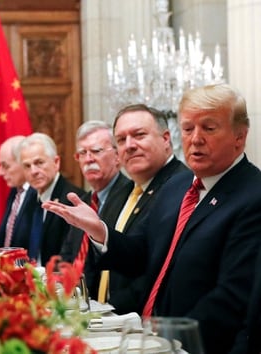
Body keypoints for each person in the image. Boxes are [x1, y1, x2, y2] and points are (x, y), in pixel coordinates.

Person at [45, 84, 261, 353]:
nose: (195, 139)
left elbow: (233, 295)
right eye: (188, 128)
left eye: (209, 128)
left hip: (195, 344)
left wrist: (163, 338)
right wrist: (99, 229)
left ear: (240, 137)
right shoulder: (178, 186)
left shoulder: (253, 196)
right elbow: (141, 253)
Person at [103, 104, 188, 314]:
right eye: (121, 140)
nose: (129, 146)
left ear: (166, 139)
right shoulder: (122, 191)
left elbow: (155, 269)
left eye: (139, 135)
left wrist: (109, 311)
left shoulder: (181, 186)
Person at [59, 121, 131, 296]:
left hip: (111, 303)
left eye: (96, 151)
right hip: (75, 301)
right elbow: (68, 254)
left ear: (117, 156)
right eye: (82, 153)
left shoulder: (130, 196)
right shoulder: (82, 201)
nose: (88, 159)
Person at [12, 132, 84, 264]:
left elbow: (69, 257)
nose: (33, 171)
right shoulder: (29, 198)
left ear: (56, 162)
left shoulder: (72, 200)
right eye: (27, 166)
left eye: (39, 163)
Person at [0, 136, 35, 248]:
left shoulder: (39, 194)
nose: (0, 172)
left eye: (5, 166)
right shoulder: (15, 191)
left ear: (23, 162)